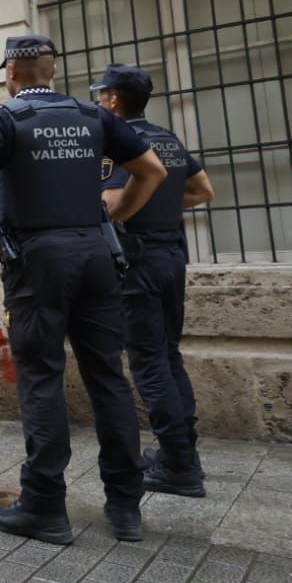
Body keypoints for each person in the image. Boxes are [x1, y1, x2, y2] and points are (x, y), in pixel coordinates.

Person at [0, 36, 167, 545]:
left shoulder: (3, 119)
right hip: (97, 255)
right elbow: (152, 171)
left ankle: (45, 505)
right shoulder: (95, 117)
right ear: (51, 71)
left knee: (42, 377)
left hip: (38, 260)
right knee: (108, 376)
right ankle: (125, 507)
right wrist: (114, 217)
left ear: (11, 73)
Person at [91, 64, 216, 497]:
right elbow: (203, 191)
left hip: (138, 262)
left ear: (114, 101)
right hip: (171, 259)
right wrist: (157, 200)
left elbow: (109, 206)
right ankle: (184, 455)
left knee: (147, 362)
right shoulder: (168, 138)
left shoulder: (120, 142)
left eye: (100, 94)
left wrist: (132, 209)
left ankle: (179, 466)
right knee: (168, 355)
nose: (97, 101)